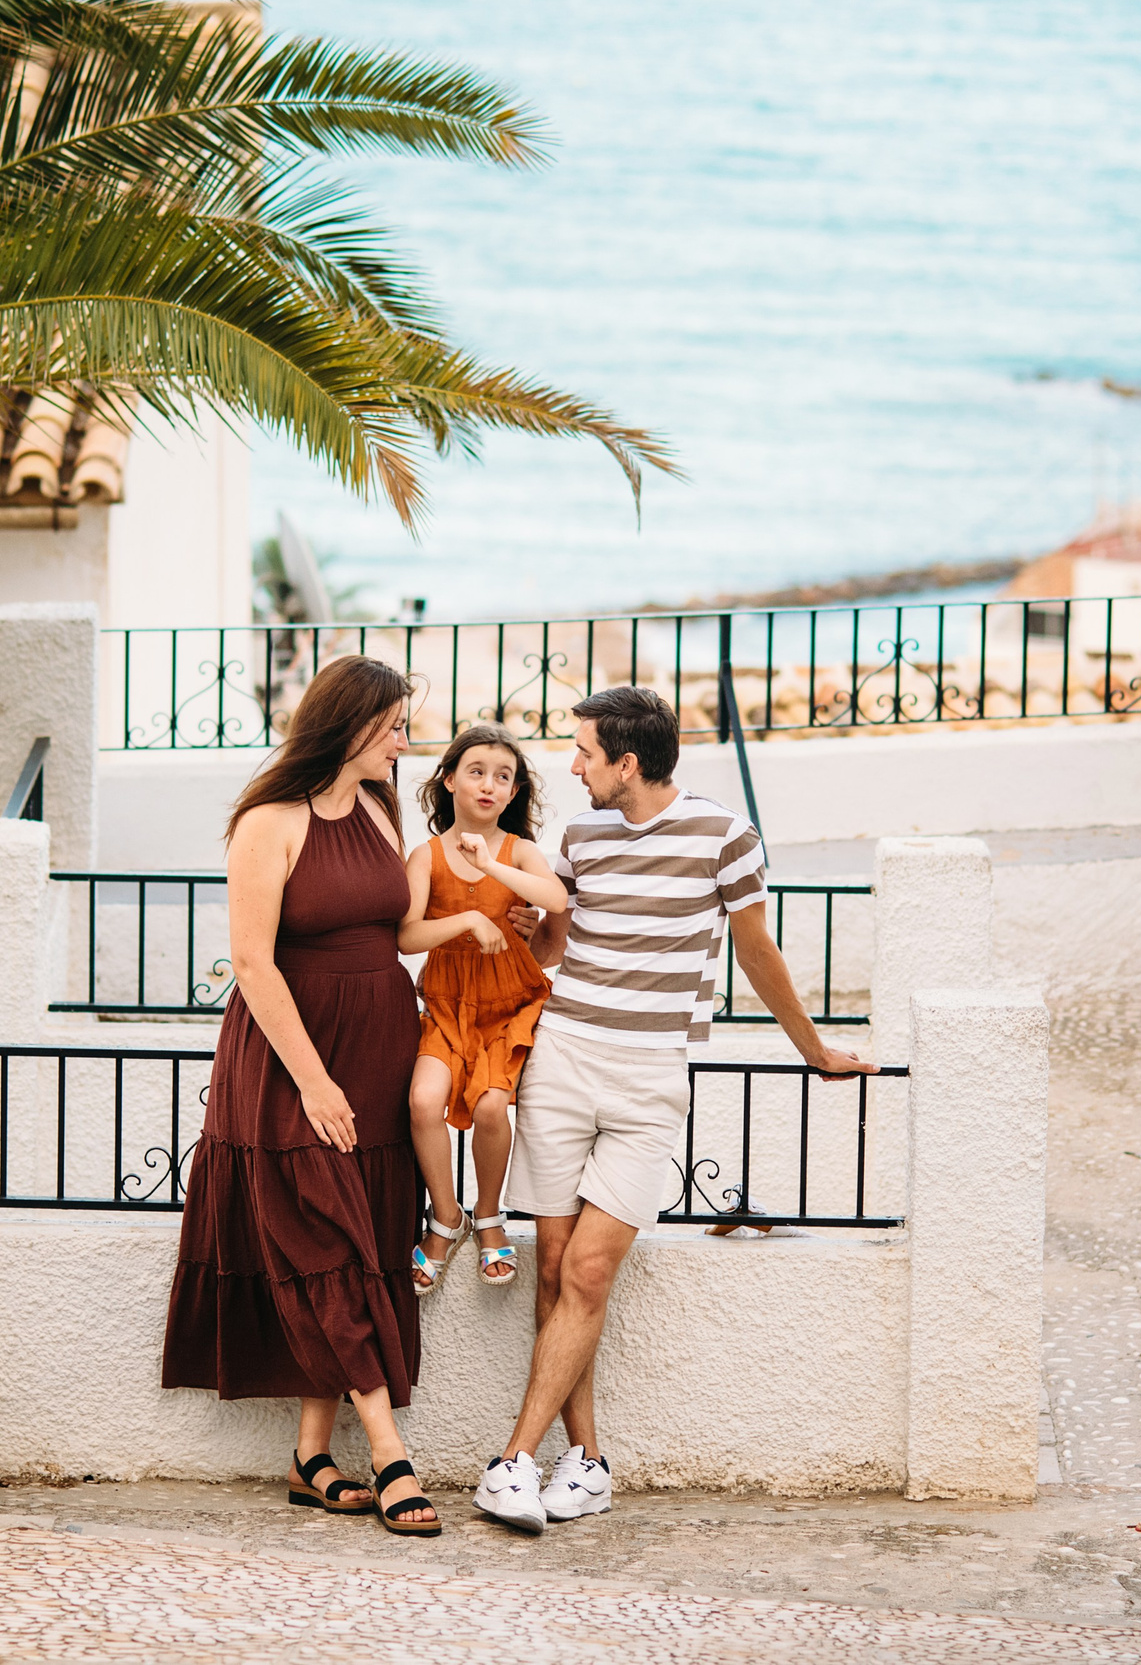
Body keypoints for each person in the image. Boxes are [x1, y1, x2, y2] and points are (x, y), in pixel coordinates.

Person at [473, 685, 879, 1533]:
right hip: (564, 1056)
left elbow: (756, 952)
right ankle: (582, 1464)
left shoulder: (726, 837)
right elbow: (558, 945)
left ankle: (511, 1459)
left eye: (585, 753)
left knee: (588, 1271)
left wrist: (814, 1051)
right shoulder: (579, 834)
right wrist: (528, 926)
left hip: (651, 1074)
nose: (573, 767)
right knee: (552, 1267)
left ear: (629, 762)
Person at [159, 656, 441, 1536]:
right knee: (324, 1234)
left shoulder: (380, 809)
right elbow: (252, 961)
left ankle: (311, 1455)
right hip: (292, 1057)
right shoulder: (267, 822)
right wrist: (313, 1079)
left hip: (380, 1048)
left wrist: (476, 911)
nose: (407, 740)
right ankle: (390, 1455)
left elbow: (396, 929)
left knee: (358, 1241)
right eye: (395, 725)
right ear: (352, 727)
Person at [395, 723, 567, 1294]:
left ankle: (489, 1215)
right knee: (423, 1101)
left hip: (505, 1004)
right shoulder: (425, 855)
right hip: (446, 1004)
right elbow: (407, 936)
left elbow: (555, 899)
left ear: (514, 793)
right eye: (475, 772)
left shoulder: (519, 852)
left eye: (503, 777)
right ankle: (447, 1218)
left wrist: (490, 864)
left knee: (493, 1109)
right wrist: (469, 919)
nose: (489, 785)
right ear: (448, 780)